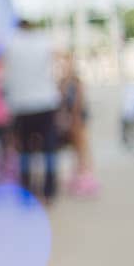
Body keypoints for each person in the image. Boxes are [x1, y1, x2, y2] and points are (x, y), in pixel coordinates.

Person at [2, 18, 61, 204]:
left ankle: (27, 190)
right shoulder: (43, 41)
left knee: (25, 150)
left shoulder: (10, 43)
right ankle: (49, 191)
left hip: (21, 105)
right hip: (46, 102)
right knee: (49, 148)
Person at [56, 52, 99, 196]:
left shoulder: (77, 82)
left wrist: (75, 120)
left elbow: (78, 104)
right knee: (76, 151)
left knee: (82, 150)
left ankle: (87, 177)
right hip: (69, 120)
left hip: (78, 120)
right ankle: (78, 177)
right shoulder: (62, 82)